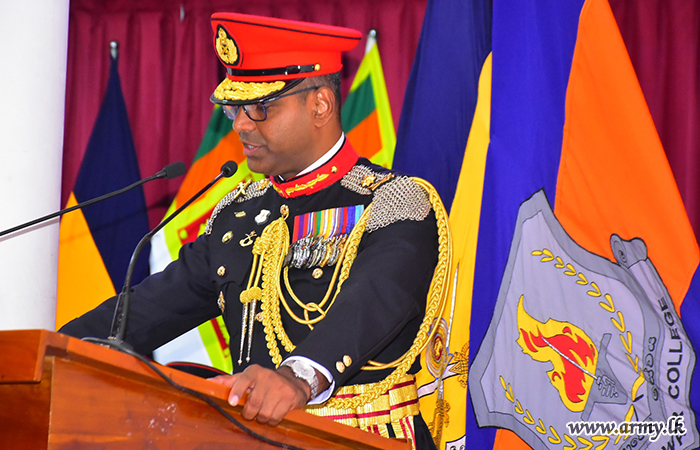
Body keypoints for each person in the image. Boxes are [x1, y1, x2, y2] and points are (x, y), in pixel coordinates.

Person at [60, 12, 447, 450]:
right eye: (234, 108)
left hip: (363, 438)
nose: (240, 124)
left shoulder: (393, 201)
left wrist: (296, 379)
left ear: (320, 105)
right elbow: (143, 313)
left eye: (260, 107)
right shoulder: (238, 217)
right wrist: (52, 349)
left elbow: (373, 301)